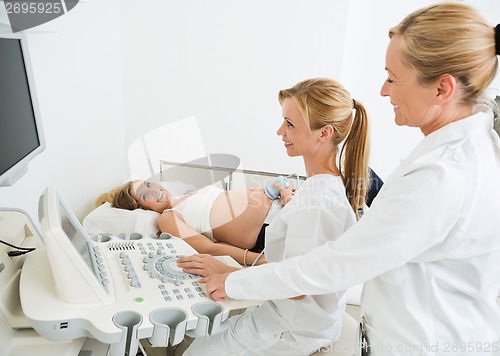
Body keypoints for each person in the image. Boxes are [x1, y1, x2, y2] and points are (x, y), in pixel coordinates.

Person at [200, 3, 500, 355]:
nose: (383, 91)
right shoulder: (468, 149)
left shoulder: (443, 174)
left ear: (442, 89)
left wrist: (231, 275)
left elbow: (336, 265)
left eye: (392, 77)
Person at [178, 77, 370, 355]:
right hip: (287, 316)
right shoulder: (318, 189)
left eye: (290, 124)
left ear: (324, 133)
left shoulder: (317, 202)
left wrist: (229, 277)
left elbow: (296, 284)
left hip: (291, 328)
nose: (280, 131)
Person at [96, 179, 292, 266]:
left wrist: (281, 192)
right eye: (145, 195)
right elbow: (209, 248)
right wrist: (257, 260)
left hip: (284, 206)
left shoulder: (189, 194)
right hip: (268, 229)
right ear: (142, 209)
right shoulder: (169, 217)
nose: (155, 190)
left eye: (148, 184)